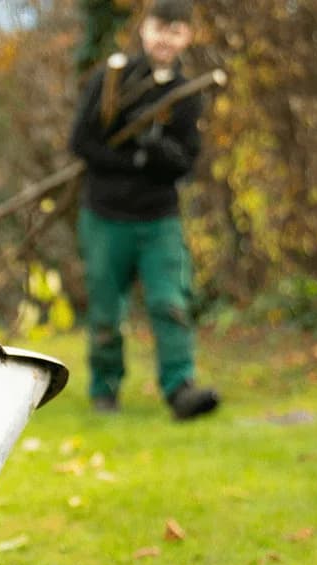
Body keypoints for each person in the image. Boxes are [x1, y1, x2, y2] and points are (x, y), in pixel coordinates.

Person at [70, 0, 220, 420]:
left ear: (187, 37)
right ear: (144, 29)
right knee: (105, 310)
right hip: (105, 215)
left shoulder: (186, 95)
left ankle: (180, 389)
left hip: (158, 219)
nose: (165, 37)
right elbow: (82, 142)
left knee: (170, 301)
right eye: (159, 27)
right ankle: (104, 391)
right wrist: (134, 161)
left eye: (176, 30)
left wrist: (156, 150)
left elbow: (185, 163)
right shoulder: (113, 79)